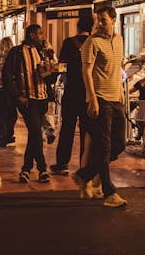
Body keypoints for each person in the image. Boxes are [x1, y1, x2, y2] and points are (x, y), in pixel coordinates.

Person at [73, 4, 128, 208]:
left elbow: (118, 65)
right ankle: (109, 193)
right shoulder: (91, 42)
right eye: (98, 20)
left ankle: (84, 174)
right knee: (103, 148)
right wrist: (92, 99)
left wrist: (121, 90)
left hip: (116, 98)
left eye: (104, 20)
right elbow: (86, 72)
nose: (100, 24)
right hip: (100, 99)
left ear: (113, 19)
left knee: (120, 144)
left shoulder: (120, 40)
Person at [3, 24, 51, 183]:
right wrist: (17, 96)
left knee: (34, 134)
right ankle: (43, 169)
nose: (42, 37)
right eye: (40, 34)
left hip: (41, 98)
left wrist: (51, 69)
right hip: (27, 100)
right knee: (36, 131)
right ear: (31, 35)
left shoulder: (42, 52)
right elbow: (7, 76)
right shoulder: (16, 52)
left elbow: (48, 76)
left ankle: (26, 169)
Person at [50, 14, 93, 174]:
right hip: (89, 93)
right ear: (91, 27)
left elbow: (61, 66)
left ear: (78, 27)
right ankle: (85, 164)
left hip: (71, 90)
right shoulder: (94, 42)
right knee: (86, 130)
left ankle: (62, 163)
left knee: (67, 128)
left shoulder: (69, 43)